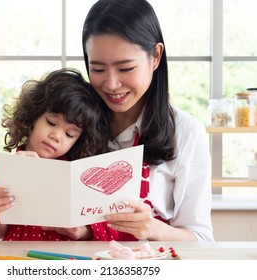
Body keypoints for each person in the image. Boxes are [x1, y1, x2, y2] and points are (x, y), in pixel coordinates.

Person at [46, 0, 214, 241]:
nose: (111, 84)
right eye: (98, 69)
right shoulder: (69, 122)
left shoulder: (186, 132)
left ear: (155, 56)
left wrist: (152, 228)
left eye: (125, 69)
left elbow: (202, 240)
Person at [0, 68, 112, 241]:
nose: (56, 136)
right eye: (51, 122)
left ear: (78, 140)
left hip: (68, 260)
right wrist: (2, 172)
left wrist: (83, 230)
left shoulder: (81, 176)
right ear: (33, 116)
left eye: (69, 134)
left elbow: (113, 225)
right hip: (17, 259)